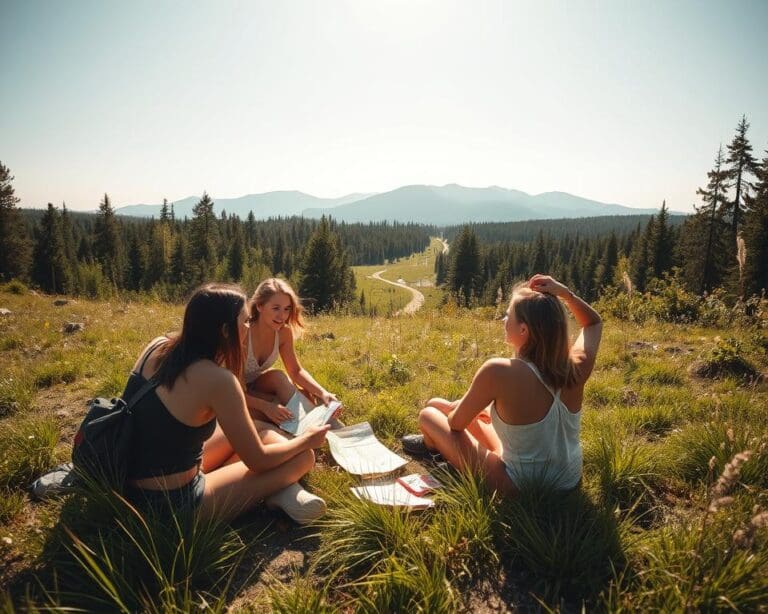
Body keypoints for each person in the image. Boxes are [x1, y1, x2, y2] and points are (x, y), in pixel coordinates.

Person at [122, 282, 330, 523]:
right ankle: (278, 491)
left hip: (128, 478)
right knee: (303, 456)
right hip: (169, 504)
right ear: (224, 331)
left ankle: (277, 491)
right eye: (244, 321)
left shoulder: (156, 346)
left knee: (261, 430)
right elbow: (259, 460)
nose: (247, 326)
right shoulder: (219, 380)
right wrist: (308, 439)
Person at [402, 274, 602, 495]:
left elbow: (456, 423)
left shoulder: (499, 371)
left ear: (524, 330)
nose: (504, 321)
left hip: (519, 485)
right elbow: (593, 323)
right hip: (568, 480)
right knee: (440, 404)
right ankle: (437, 444)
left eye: (509, 316)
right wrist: (565, 293)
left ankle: (436, 451)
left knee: (429, 413)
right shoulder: (576, 366)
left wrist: (459, 409)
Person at [242, 278, 340, 426]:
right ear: (260, 306)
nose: (282, 316)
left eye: (287, 309)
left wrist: (322, 392)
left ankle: (325, 424)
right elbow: (229, 389)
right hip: (232, 392)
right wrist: (267, 406)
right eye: (276, 308)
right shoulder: (243, 333)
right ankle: (312, 425)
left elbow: (295, 371)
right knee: (279, 405)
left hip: (256, 386)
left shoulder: (283, 333)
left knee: (278, 377)